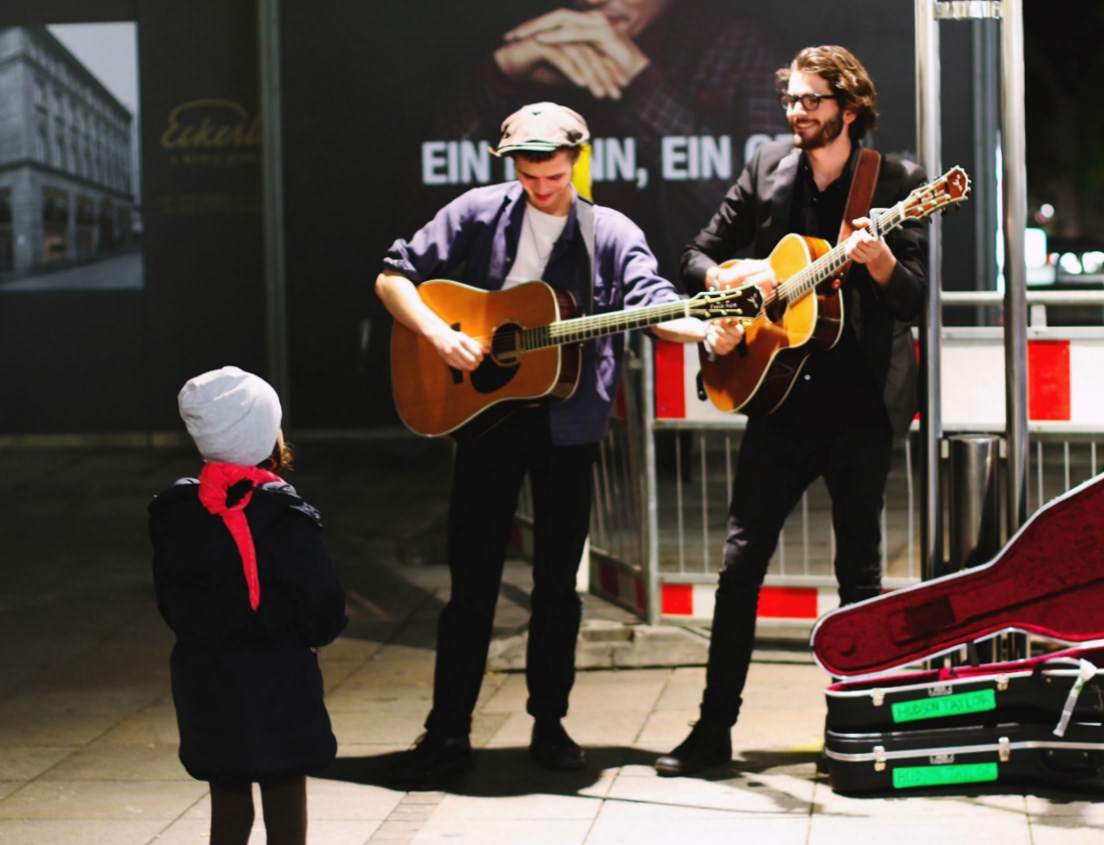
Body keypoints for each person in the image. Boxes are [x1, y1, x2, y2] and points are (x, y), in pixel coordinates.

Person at [375, 102, 737, 777]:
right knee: (472, 578)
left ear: (576, 159)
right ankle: (447, 729)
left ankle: (550, 723)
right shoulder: (480, 210)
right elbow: (393, 275)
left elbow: (651, 303)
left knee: (556, 585)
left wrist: (704, 331)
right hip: (484, 415)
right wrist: (438, 332)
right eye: (529, 174)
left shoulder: (609, 231)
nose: (540, 186)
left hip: (568, 425)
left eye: (552, 173)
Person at [654, 45, 929, 777]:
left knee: (858, 573)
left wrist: (876, 261)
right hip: (778, 400)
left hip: (860, 406)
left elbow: (914, 299)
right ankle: (712, 731)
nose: (797, 111)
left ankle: (860, 730)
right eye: (792, 100)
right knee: (740, 567)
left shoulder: (897, 182)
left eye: (811, 100)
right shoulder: (768, 168)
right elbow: (694, 254)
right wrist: (731, 280)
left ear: (850, 107)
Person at [441, 0, 789, 279]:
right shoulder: (517, 31)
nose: (594, 1)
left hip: (685, 296)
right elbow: (431, 183)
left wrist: (640, 80)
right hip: (543, 299)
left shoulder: (734, 41)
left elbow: (760, 212)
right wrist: (500, 75)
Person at [149, 366, 348, 845]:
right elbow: (322, 602)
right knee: (284, 798)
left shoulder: (177, 511)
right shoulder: (281, 515)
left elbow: (169, 600)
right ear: (265, 432)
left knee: (228, 791)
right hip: (275, 671)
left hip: (204, 675)